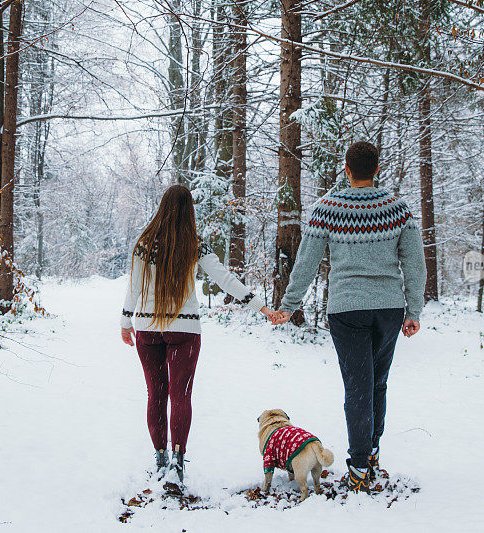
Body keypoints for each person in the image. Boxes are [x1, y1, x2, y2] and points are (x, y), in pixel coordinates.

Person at [270, 141, 427, 493]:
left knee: (358, 386)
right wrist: (413, 310)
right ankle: (370, 454)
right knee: (378, 383)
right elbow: (415, 264)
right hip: (389, 308)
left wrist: (288, 304)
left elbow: (306, 262)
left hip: (346, 309)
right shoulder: (398, 209)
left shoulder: (327, 207)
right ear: (377, 169)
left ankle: (358, 466)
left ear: (346, 168)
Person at [120, 185, 275, 484]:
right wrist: (261, 308)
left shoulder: (144, 244)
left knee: (156, 394)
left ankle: (160, 457)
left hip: (148, 330)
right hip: (185, 330)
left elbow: (134, 288)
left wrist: (126, 321)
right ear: (189, 211)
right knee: (180, 396)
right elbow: (225, 279)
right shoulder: (195, 245)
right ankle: (177, 462)